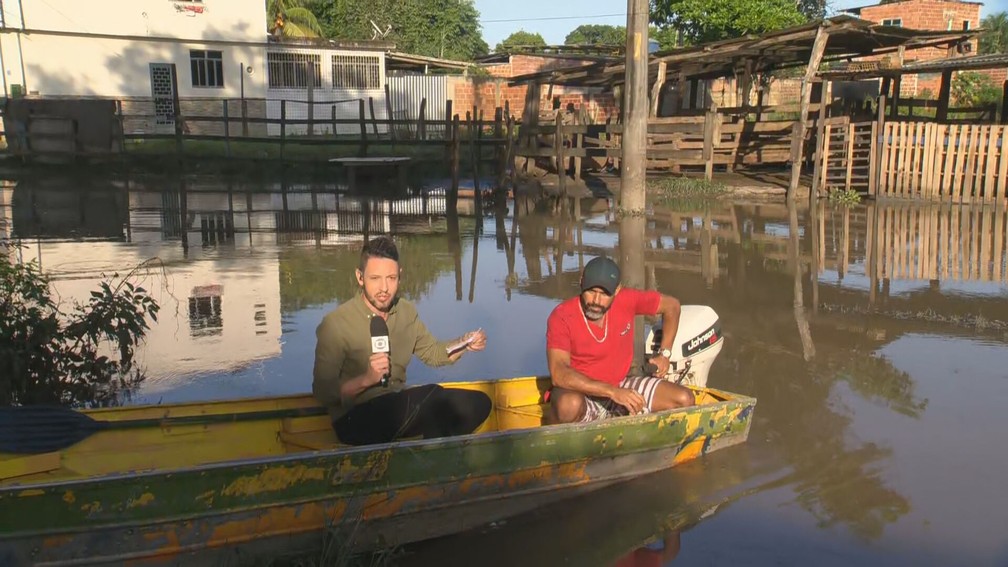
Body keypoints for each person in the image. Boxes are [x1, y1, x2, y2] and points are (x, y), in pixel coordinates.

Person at [312, 236, 492, 446]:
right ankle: (433, 459)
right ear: (360, 277)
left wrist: (464, 343)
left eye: (391, 278)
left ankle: (430, 457)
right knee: (432, 396)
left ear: (400, 276)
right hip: (354, 419)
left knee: (478, 403)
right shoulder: (335, 324)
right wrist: (366, 380)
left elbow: (433, 353)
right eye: (375, 278)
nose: (384, 288)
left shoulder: (406, 312)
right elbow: (323, 392)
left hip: (398, 408)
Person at [545, 256, 695, 424]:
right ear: (581, 282)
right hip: (581, 393)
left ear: (617, 291)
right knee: (568, 405)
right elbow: (559, 373)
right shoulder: (562, 316)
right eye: (591, 291)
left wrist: (665, 354)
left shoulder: (627, 299)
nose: (596, 301)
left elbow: (672, 306)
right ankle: (556, 441)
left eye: (604, 294)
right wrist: (611, 391)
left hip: (621, 385)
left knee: (684, 399)